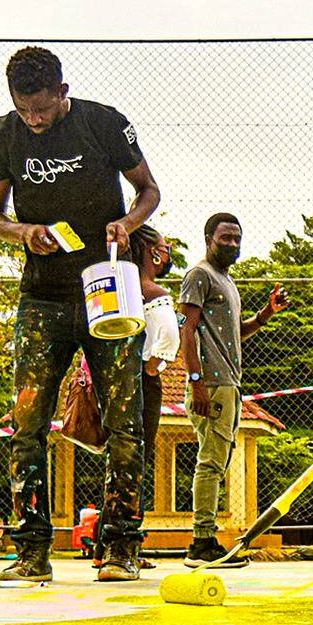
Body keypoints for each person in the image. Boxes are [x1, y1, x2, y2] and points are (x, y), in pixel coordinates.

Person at [0, 46, 158, 583]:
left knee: (124, 420)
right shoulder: (2, 135)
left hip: (106, 288)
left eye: (41, 108)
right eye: (23, 109)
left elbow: (149, 190)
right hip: (42, 295)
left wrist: (127, 223)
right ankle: (31, 550)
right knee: (28, 422)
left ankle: (121, 546)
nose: (33, 120)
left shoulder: (103, 122)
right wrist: (20, 232)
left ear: (62, 92)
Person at [177, 214, 287, 566]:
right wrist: (196, 383)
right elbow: (187, 331)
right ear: (209, 237)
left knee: (217, 460)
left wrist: (266, 314)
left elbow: (235, 333)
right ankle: (201, 542)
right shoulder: (199, 275)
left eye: (237, 239)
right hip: (211, 383)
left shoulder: (226, 280)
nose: (233, 245)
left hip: (230, 382)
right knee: (210, 462)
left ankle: (205, 538)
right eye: (226, 238)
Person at [132, 224, 180, 567]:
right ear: (152, 252)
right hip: (143, 383)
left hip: (115, 377)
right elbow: (168, 336)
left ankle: (107, 539)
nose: (166, 253)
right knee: (137, 458)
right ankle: (128, 539)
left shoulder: (118, 287)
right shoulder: (153, 291)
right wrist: (153, 366)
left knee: (118, 456)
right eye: (163, 247)